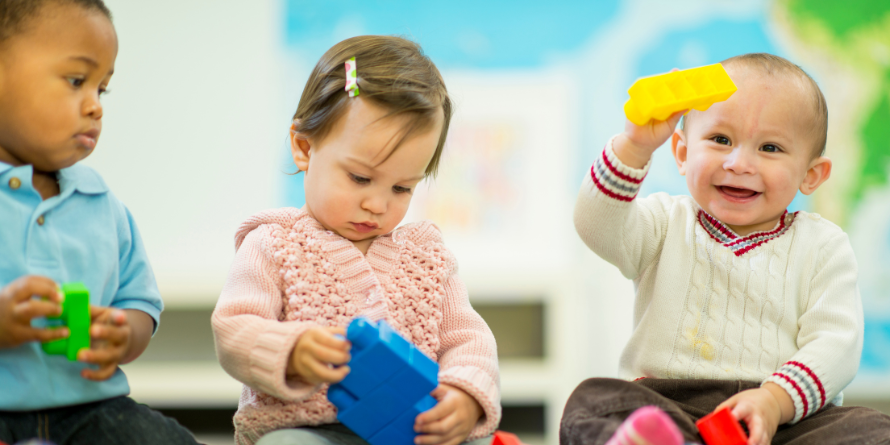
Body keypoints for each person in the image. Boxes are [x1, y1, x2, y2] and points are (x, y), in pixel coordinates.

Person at [561, 53, 890, 445]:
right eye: (720, 140)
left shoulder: (824, 245)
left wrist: (773, 401)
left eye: (770, 148)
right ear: (682, 153)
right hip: (669, 405)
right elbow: (597, 224)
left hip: (785, 417)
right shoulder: (664, 223)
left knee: (872, 429)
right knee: (593, 403)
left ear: (811, 174)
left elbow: (836, 345)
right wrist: (634, 146)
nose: (738, 162)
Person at [211, 35, 501, 445]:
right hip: (308, 428)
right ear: (304, 147)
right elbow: (234, 328)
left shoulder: (429, 256)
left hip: (413, 429)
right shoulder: (273, 245)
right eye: (360, 178)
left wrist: (464, 393)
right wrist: (290, 350)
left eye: (402, 188)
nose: (377, 203)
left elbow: (468, 339)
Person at [0, 0, 197, 443]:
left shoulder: (103, 203)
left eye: (102, 88)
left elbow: (140, 302)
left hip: (91, 409)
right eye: (76, 81)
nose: (95, 106)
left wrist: (122, 333)